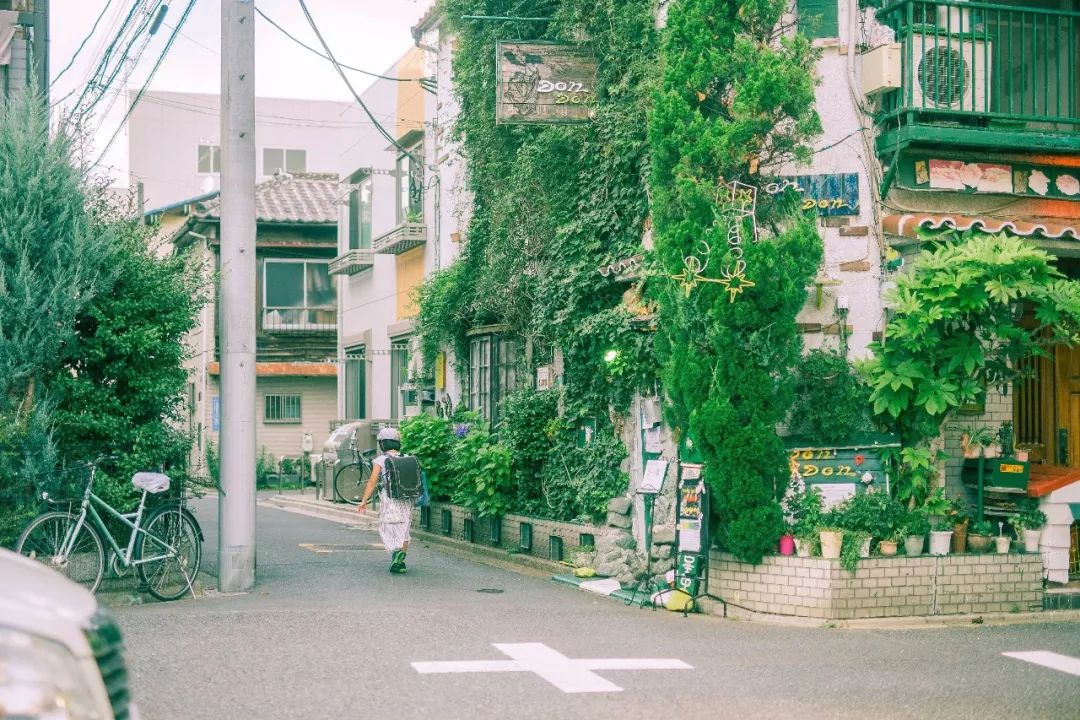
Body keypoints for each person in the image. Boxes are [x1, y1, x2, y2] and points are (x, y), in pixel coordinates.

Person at [358, 427, 413, 574]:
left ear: (382, 444)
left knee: (387, 526)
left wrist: (364, 500)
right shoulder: (406, 457)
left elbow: (372, 482)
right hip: (407, 499)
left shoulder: (381, 460)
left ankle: (396, 553)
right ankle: (400, 561)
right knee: (404, 528)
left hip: (390, 498)